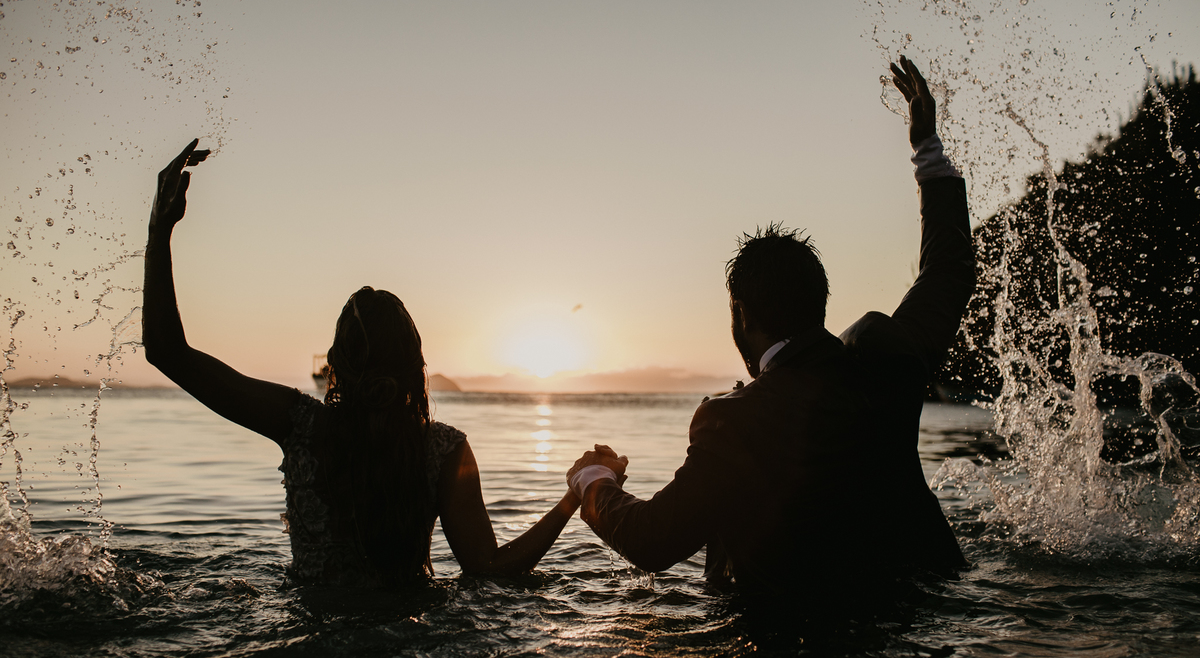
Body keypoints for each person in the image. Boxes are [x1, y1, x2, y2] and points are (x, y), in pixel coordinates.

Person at [565, 56, 974, 600]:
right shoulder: (888, 362)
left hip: (790, 654)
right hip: (914, 630)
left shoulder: (734, 420)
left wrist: (593, 483)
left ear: (743, 316)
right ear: (819, 303)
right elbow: (948, 271)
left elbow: (653, 540)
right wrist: (927, 148)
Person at [142, 141, 580, 586]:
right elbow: (488, 570)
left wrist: (159, 232)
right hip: (411, 639)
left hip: (312, 631)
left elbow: (166, 351)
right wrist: (573, 497)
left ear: (335, 365)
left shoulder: (299, 425)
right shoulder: (444, 451)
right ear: (417, 368)